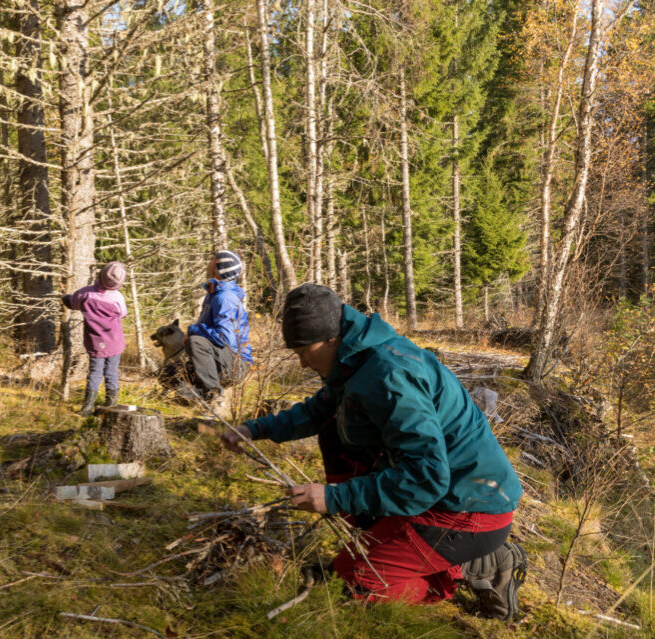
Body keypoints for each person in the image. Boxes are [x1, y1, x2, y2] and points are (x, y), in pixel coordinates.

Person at [220, 284, 527, 619]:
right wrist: (255, 429)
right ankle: (389, 536)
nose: (303, 364)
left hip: (470, 508)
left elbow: (426, 476)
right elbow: (317, 411)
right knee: (333, 430)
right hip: (437, 493)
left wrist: (333, 498)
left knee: (354, 581)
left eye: (304, 351)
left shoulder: (387, 374)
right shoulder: (354, 359)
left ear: (330, 338)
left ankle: (476, 566)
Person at [184, 250, 253, 403]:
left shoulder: (224, 298)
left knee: (195, 341)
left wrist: (193, 330)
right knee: (169, 373)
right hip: (223, 358)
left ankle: (214, 397)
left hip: (235, 365)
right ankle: (195, 396)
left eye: (212, 259)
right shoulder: (214, 293)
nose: (208, 262)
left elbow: (224, 338)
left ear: (219, 267)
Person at [62, 262, 128, 416]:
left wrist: (65, 297)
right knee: (111, 372)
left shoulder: (85, 293)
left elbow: (72, 303)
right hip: (115, 341)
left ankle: (87, 409)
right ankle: (111, 406)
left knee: (94, 373)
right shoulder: (117, 297)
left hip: (95, 342)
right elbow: (122, 313)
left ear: (101, 275)